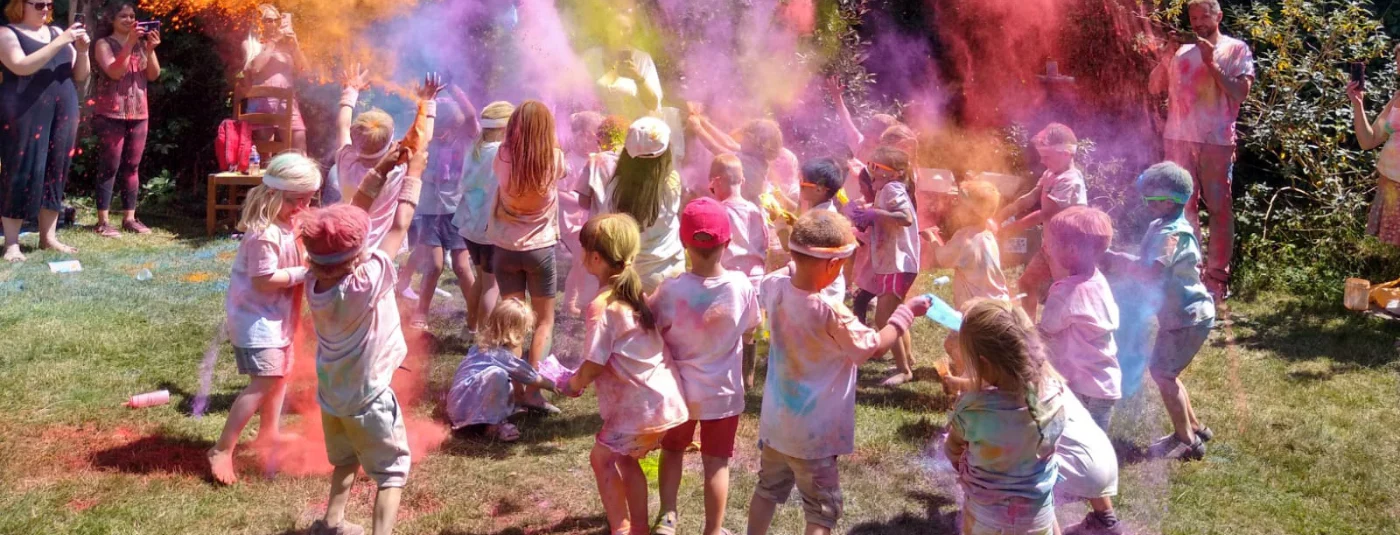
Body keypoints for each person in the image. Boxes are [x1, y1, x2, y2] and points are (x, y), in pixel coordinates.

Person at [746, 209, 929, 535]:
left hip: (777, 425)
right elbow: (875, 347)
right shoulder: (832, 312)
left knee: (766, 490)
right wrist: (904, 314)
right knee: (821, 512)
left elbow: (787, 272)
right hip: (815, 437)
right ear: (832, 265)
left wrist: (797, 258)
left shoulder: (774, 287)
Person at [299, 142, 426, 535]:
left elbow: (352, 216)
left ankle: (331, 523)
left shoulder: (313, 281)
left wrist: (383, 168)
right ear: (357, 255)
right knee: (392, 473)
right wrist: (414, 174)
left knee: (345, 459)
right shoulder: (367, 281)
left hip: (333, 395)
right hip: (369, 398)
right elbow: (400, 225)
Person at [559, 213, 688, 535]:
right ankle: (638, 528)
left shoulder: (603, 306)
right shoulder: (634, 295)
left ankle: (622, 528)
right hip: (663, 400)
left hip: (639, 408)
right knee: (626, 459)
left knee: (601, 459)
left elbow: (594, 363)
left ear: (595, 258)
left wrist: (572, 383)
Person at [207, 153, 321, 486]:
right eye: (295, 200)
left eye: (309, 199)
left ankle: (269, 434)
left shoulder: (286, 225)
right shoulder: (264, 233)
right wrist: (305, 273)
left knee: (279, 376)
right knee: (263, 382)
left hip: (277, 319)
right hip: (256, 322)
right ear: (272, 194)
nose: (303, 206)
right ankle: (221, 449)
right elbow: (263, 279)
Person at [652, 198, 761, 535]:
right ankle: (713, 530)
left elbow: (652, 327)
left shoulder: (670, 290)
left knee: (672, 451)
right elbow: (752, 327)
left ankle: (668, 517)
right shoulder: (741, 285)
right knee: (716, 462)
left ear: (683, 241)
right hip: (723, 394)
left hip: (680, 393)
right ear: (728, 242)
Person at [1103, 162, 1216, 461]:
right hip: (1179, 316)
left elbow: (1152, 272)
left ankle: (1188, 442)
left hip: (1189, 317)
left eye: (1151, 199)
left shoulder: (1173, 235)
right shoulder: (1159, 226)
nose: (1146, 204)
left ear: (1169, 201)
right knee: (1168, 373)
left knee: (1163, 375)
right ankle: (1195, 426)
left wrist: (1116, 261)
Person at [1148, 0, 1255, 300]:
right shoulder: (1181, 51)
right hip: (1178, 139)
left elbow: (1241, 93)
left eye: (1204, 16)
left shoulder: (1236, 49)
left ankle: (1218, 277)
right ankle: (1188, 271)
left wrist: (1211, 63)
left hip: (1216, 141)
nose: (1198, 23)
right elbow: (1154, 87)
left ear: (1219, 16)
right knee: (1181, 206)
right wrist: (1166, 56)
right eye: (1193, 17)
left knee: (1220, 209)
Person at [945, 299, 1068, 535]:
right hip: (1038, 518)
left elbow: (952, 450)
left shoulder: (973, 410)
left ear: (984, 363)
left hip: (986, 520)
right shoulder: (1054, 396)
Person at [488, 99, 568, 411]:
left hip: (505, 248)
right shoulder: (554, 158)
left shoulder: (502, 154)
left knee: (513, 323)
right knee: (544, 320)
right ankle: (534, 393)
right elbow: (561, 166)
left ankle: (514, 391)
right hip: (540, 249)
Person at [0, 0, 90, 262]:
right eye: (39, 4)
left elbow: (81, 75)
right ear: (20, 5)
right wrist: (61, 41)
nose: (46, 9)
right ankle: (12, 243)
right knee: (21, 169)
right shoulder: (7, 33)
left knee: (56, 168)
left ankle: (48, 237)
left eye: (49, 4)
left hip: (63, 108)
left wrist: (82, 51)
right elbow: (21, 65)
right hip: (24, 110)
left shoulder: (57, 33)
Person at [332, 66, 439, 249]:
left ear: (354, 139)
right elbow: (425, 137)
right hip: (385, 246)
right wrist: (427, 102)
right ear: (391, 141)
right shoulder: (397, 167)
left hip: (351, 238)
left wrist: (350, 91)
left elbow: (343, 126)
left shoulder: (345, 160)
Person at [399, 88, 478, 330]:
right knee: (434, 266)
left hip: (457, 211)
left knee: (462, 267)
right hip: (431, 211)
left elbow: (471, 115)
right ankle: (421, 313)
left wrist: (454, 88)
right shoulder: (428, 140)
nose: (442, 135)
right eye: (439, 129)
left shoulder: (465, 139)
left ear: (456, 125)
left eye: (447, 129)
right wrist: (426, 101)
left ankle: (476, 318)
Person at [922, 181, 1010, 394]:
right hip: (998, 305)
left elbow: (942, 258)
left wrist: (932, 238)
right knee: (967, 346)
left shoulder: (964, 237)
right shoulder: (987, 233)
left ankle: (975, 384)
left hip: (978, 310)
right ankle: (978, 380)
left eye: (959, 203)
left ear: (969, 211)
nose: (954, 207)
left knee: (958, 346)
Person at [1039, 206, 1120, 432]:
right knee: (1096, 446)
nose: (1047, 247)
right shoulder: (1098, 280)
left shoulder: (1065, 291)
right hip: (1105, 384)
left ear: (1072, 250)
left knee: (1070, 442)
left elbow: (1046, 329)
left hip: (1082, 388)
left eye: (1052, 243)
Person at [997, 123, 1087, 320]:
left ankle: (1072, 331)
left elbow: (1044, 214)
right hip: (1050, 248)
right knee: (1026, 283)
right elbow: (1031, 197)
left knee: (1066, 296)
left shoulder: (1070, 181)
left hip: (1067, 252)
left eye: (1046, 156)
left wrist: (1009, 229)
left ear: (1066, 154)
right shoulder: (1050, 174)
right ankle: (1029, 330)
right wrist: (1003, 214)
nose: (1042, 161)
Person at [446, 298, 560, 442]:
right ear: (514, 331)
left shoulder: (480, 347)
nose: (526, 333)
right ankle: (493, 425)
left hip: (456, 406)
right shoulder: (502, 355)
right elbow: (529, 376)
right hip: (466, 410)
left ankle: (486, 417)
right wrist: (551, 385)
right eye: (524, 330)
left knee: (498, 378)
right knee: (499, 376)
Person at [90, 2, 160, 238]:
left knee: (133, 166)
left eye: (132, 16)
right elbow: (114, 71)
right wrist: (129, 43)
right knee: (110, 165)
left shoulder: (139, 44)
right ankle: (103, 221)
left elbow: (153, 75)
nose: (129, 20)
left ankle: (130, 218)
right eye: (123, 16)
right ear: (111, 19)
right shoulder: (103, 44)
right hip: (111, 112)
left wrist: (150, 50)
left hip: (139, 112)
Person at [596, 117, 685, 292]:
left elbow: (606, 223)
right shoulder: (672, 182)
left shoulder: (617, 187)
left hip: (630, 274)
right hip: (670, 270)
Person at [859, 146, 921, 386]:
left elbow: (905, 218)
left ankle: (904, 370)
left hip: (898, 262)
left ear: (894, 173)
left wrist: (874, 213)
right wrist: (867, 215)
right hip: (894, 263)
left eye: (875, 167)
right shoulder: (887, 189)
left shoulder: (891, 188)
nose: (870, 171)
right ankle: (907, 360)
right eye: (870, 165)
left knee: (884, 317)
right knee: (896, 313)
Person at [453, 100, 514, 338]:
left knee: (481, 279)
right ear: (505, 127)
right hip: (490, 227)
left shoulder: (475, 148)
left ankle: (470, 328)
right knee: (491, 285)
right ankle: (484, 340)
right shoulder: (501, 153)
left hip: (471, 226)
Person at [566, 114, 627, 315]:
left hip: (598, 228)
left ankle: (594, 313)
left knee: (597, 271)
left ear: (602, 136)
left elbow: (583, 201)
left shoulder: (595, 160)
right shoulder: (632, 160)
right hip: (624, 227)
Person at [1347, 46, 1400, 248]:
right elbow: (1368, 140)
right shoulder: (1397, 98)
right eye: (1399, 64)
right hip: (1390, 186)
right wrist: (1358, 104)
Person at [241, 4, 307, 154]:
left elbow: (305, 71)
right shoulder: (251, 44)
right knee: (264, 156)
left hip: (288, 103)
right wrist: (273, 41)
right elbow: (255, 68)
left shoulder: (287, 46)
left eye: (276, 20)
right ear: (259, 24)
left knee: (300, 150)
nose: (273, 24)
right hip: (262, 103)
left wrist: (295, 44)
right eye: (268, 20)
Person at [1056, 393, 1124, 535]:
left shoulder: (1018, 397)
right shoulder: (1054, 384)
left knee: (1028, 482)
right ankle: (1106, 521)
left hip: (1079, 468)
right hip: (1105, 456)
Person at [583, 12, 662, 121]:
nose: (620, 34)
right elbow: (577, 93)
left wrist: (638, 78)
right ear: (607, 29)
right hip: (595, 127)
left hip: (632, 128)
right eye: (616, 28)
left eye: (626, 29)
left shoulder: (643, 59)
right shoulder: (591, 56)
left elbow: (653, 105)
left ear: (632, 32)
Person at [798, 157, 849, 303]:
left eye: (803, 182)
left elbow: (794, 248)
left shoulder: (821, 219)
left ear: (819, 189)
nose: (799, 185)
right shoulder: (821, 210)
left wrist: (780, 224)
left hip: (824, 293)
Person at [824, 76, 901, 162]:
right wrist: (837, 97)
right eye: (869, 127)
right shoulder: (859, 144)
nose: (866, 131)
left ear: (882, 139)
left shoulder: (886, 161)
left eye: (873, 130)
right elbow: (846, 119)